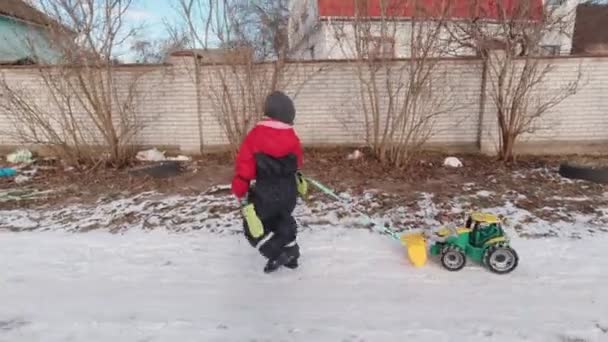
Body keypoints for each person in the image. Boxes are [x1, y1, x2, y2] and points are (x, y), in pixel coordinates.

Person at [231, 91, 308, 273]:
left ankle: (275, 253)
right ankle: (292, 254)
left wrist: (240, 190)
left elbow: (245, 168)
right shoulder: (292, 137)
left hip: (266, 193)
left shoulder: (255, 136)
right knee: (282, 218)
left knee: (254, 228)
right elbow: (297, 162)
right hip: (289, 193)